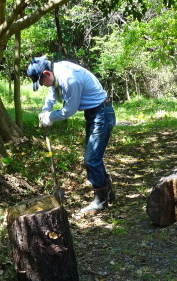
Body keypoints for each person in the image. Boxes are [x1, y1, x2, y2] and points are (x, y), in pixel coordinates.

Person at [26, 56, 116, 212]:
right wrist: (45, 110)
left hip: (102, 114)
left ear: (46, 73)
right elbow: (53, 91)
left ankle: (101, 201)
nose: (41, 85)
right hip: (94, 113)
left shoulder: (69, 79)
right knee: (93, 157)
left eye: (40, 81)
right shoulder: (57, 71)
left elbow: (69, 110)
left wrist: (51, 117)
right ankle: (107, 192)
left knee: (91, 159)